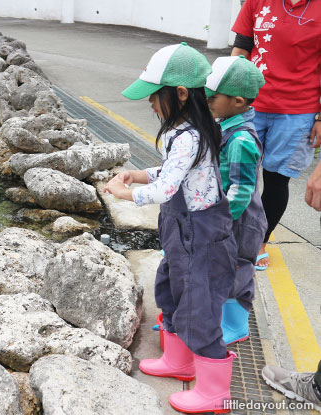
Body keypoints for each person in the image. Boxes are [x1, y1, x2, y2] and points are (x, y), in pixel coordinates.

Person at [104, 42, 238, 414]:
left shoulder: (191, 136)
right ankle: (180, 361)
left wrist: (125, 192)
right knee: (171, 292)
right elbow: (169, 173)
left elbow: (166, 189)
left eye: (153, 96)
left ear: (180, 94)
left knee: (199, 309)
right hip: (183, 235)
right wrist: (137, 173)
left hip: (202, 238)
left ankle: (215, 392)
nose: (149, 103)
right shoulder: (186, 131)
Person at [231, 0, 321, 270]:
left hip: (298, 111)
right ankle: (232, 235)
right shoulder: (257, 2)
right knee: (238, 174)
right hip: (249, 103)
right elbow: (241, 50)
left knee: (276, 179)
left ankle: (259, 242)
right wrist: (225, 92)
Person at [205, 55, 266, 345]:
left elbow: (241, 191)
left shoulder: (241, 140)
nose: (207, 101)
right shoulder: (224, 125)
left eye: (213, 96)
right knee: (221, 268)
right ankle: (218, 317)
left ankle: (236, 325)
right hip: (227, 217)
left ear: (238, 101)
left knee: (237, 270)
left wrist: (219, 222)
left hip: (240, 222)